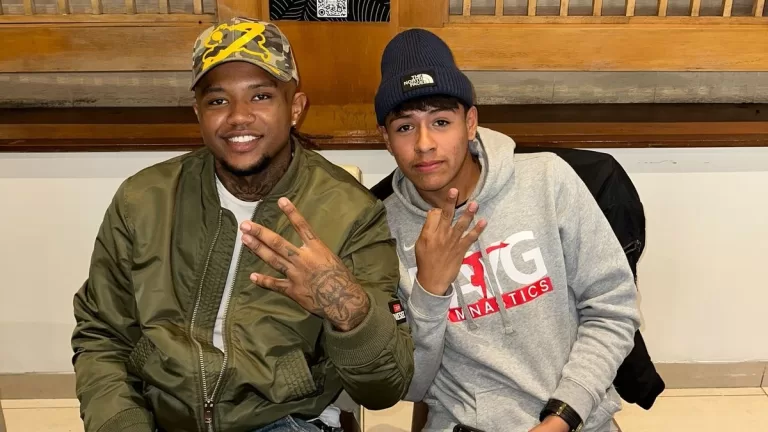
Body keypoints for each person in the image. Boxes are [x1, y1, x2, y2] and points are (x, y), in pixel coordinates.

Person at [71, 17, 413, 432]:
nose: (238, 117)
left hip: (285, 420)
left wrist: (349, 310)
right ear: (198, 112)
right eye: (218, 101)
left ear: (295, 108)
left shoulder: (352, 213)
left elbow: (384, 390)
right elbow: (102, 337)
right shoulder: (143, 200)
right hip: (159, 419)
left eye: (261, 96)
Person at [373, 29, 641, 432]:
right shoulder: (381, 231)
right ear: (386, 139)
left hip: (576, 419)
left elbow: (612, 309)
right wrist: (429, 292)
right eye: (405, 127)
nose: (424, 144)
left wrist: (563, 417)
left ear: (470, 123)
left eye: (441, 122)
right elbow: (411, 386)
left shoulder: (548, 180)